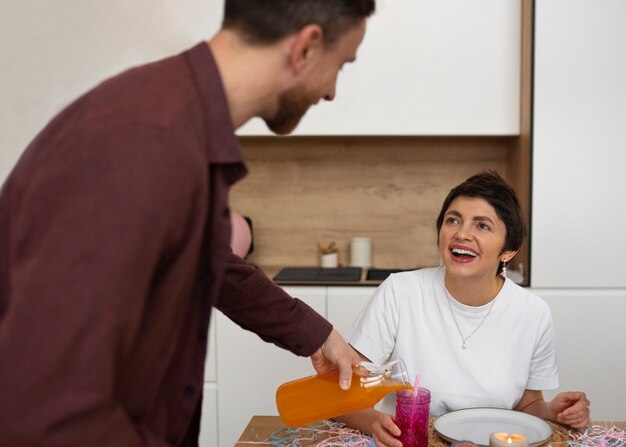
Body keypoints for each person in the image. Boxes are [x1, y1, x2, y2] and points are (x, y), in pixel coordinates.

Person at [0, 1, 376, 445]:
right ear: (307, 47)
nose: (332, 91)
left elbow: (212, 261)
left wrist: (318, 334)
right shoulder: (146, 143)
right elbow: (50, 408)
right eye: (342, 64)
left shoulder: (178, 123)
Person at [335, 171, 590, 447]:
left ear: (509, 250)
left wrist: (553, 411)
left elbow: (527, 405)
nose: (462, 234)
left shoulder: (533, 313)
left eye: (482, 226)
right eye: (453, 220)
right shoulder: (401, 292)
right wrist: (376, 423)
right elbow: (344, 394)